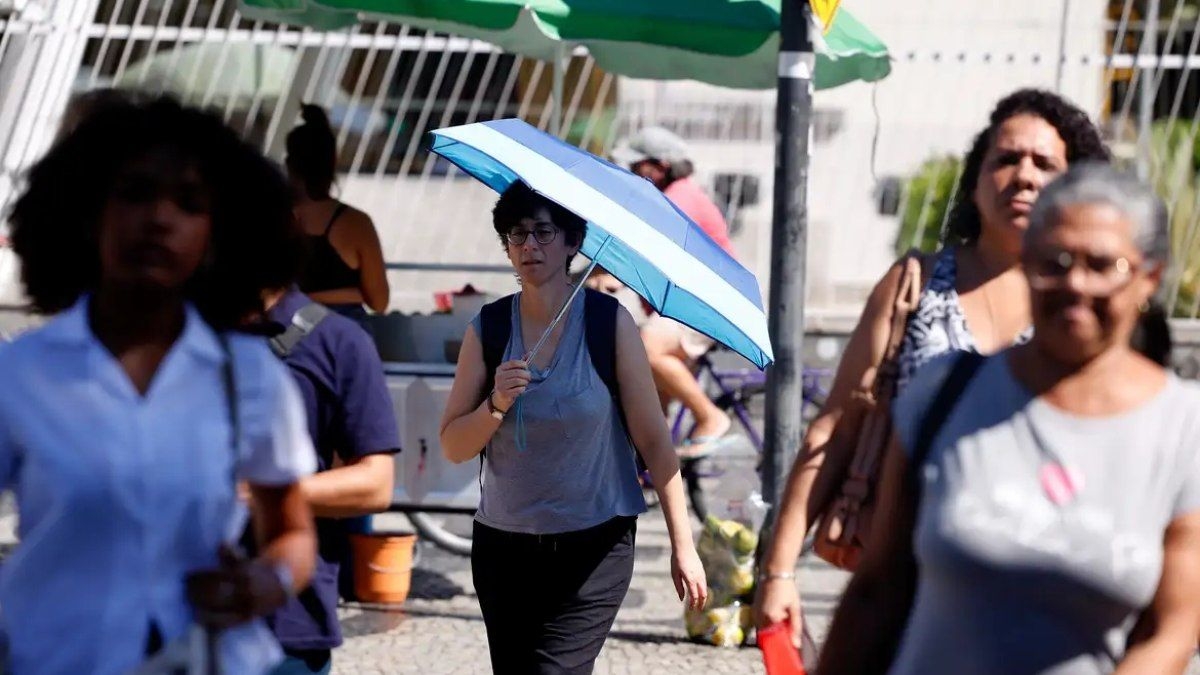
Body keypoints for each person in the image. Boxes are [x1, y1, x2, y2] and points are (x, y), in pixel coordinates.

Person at [755, 89, 1111, 641]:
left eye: (1045, 164)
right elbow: (837, 427)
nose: (1023, 175)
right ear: (975, 181)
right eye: (1007, 159)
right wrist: (778, 572)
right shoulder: (914, 285)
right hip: (911, 584)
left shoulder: (1090, 301)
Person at [821, 163, 1200, 674]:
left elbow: (1171, 631)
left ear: (1148, 278)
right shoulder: (945, 393)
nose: (1075, 284)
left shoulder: (1182, 430)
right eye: (1054, 261)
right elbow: (877, 589)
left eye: (1102, 265)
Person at [1, 96, 317, 675]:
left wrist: (264, 582)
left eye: (190, 203)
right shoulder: (21, 375)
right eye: (135, 193)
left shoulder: (249, 377)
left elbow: (293, 531)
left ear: (216, 236)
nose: (159, 218)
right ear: (87, 212)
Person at [439, 181, 708, 673]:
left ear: (572, 242)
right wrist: (495, 403)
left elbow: (654, 441)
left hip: (594, 546)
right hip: (504, 549)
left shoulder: (609, 323)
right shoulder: (491, 328)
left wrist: (682, 546)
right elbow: (454, 446)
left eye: (544, 232)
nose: (530, 246)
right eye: (517, 235)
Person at [255, 285, 401, 675]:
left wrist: (256, 495)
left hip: (288, 619)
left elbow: (375, 483)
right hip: (180, 616)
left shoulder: (338, 340)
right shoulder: (176, 334)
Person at [607, 126, 738, 457]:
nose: (632, 174)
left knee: (648, 349)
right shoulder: (671, 195)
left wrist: (609, 273)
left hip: (705, 307)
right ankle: (647, 470)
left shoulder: (681, 196)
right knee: (649, 403)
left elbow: (647, 244)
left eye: (637, 167)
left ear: (660, 166)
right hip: (685, 308)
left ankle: (710, 417)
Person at [286, 104, 389, 319]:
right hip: (342, 341)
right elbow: (379, 302)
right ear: (332, 163)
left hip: (283, 339)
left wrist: (304, 298)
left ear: (289, 164)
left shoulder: (268, 218)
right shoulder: (355, 223)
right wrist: (350, 294)